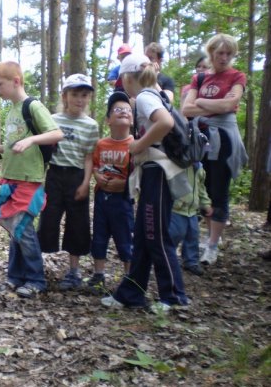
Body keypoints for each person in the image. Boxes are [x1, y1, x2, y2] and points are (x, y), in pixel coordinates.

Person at [101, 54, 190, 313]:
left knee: (155, 235)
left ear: (128, 78)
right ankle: (132, 293)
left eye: (122, 81)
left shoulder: (145, 96)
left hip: (158, 172)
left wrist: (138, 144)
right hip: (152, 172)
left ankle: (174, 296)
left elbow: (165, 122)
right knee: (142, 235)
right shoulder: (154, 93)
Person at [0, 61, 64, 299]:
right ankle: (15, 276)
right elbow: (17, 143)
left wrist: (31, 141)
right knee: (15, 230)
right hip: (10, 178)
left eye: (0, 84)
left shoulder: (32, 106)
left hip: (29, 180)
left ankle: (35, 279)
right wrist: (2, 148)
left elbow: (57, 133)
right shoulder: (11, 109)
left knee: (23, 229)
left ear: (16, 81)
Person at [182, 33, 248, 266]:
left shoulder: (237, 76)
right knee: (202, 188)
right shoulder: (199, 79)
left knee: (219, 190)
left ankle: (212, 245)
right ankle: (207, 236)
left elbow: (230, 104)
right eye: (220, 53)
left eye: (228, 53)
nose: (224, 57)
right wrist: (209, 107)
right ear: (211, 53)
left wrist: (200, 103)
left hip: (224, 139)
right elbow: (185, 109)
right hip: (200, 138)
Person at [37, 73, 99, 291]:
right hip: (54, 175)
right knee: (48, 219)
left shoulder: (91, 125)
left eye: (84, 95)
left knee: (78, 223)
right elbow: (43, 148)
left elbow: (89, 155)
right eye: (75, 94)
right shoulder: (53, 120)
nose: (79, 100)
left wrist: (85, 183)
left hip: (76, 176)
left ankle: (74, 271)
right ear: (65, 96)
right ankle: (38, 268)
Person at [89, 91, 134, 294]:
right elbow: (95, 165)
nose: (123, 112)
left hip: (123, 201)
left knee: (125, 238)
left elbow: (138, 174)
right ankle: (98, 274)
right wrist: (97, 176)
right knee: (99, 236)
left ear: (132, 118)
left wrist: (125, 185)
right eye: (117, 109)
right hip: (101, 198)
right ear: (108, 119)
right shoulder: (101, 144)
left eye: (127, 110)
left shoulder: (135, 144)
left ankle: (130, 278)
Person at [169, 162, 213, 276]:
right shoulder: (178, 164)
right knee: (174, 234)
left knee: (193, 235)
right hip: (177, 209)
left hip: (192, 210)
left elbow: (201, 188)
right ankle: (167, 258)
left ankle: (191, 261)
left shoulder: (199, 167)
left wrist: (206, 203)